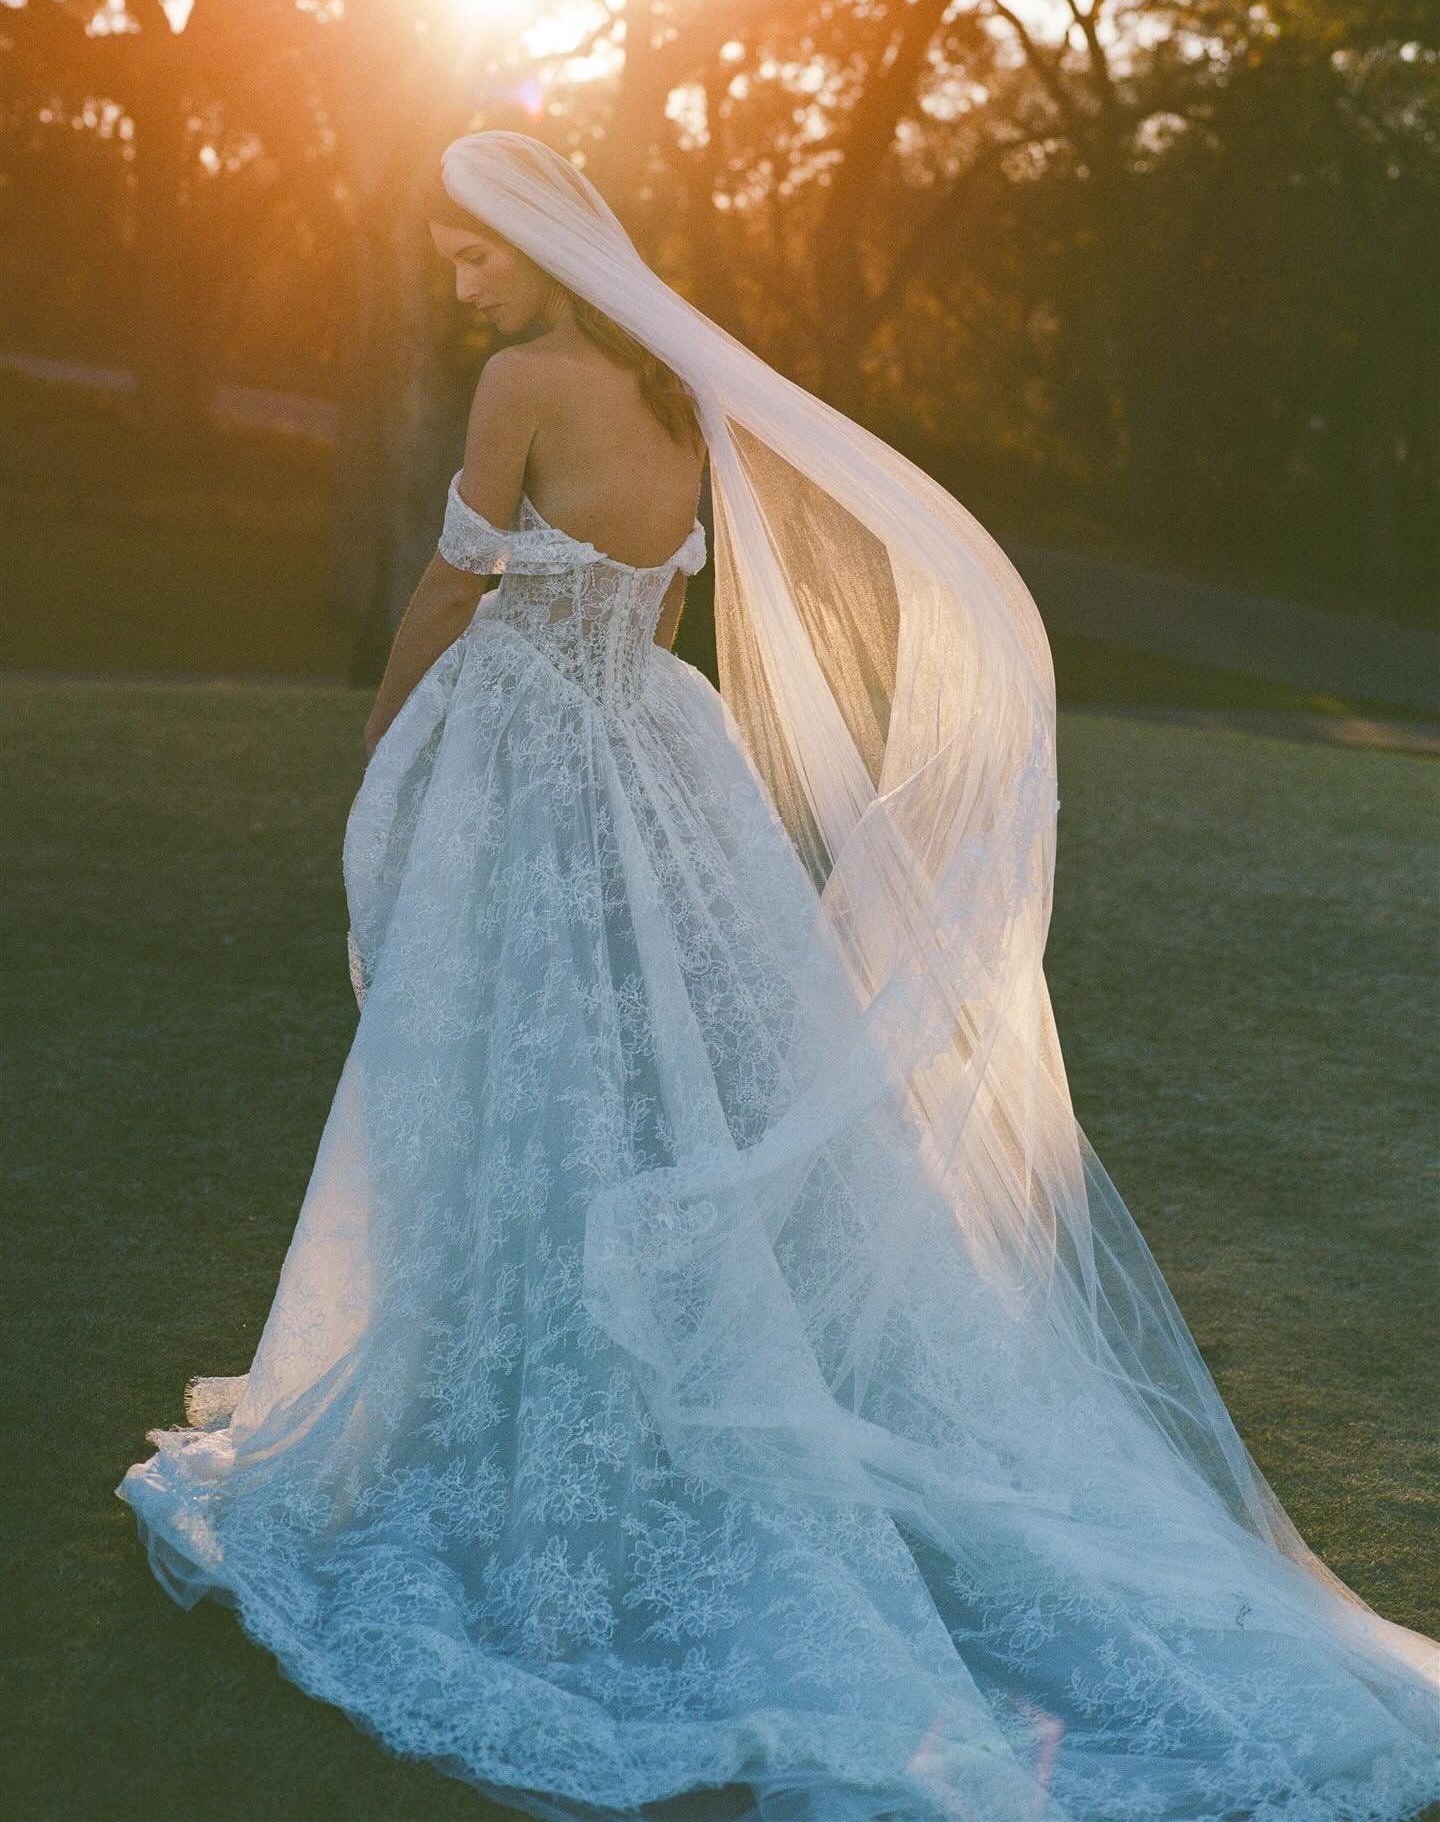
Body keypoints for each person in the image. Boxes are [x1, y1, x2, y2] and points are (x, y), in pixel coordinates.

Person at [116, 131, 1440, 1822]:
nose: (458, 279)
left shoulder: (524, 381)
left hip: (540, 752)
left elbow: (457, 574)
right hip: (662, 751)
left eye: (470, 251)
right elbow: (659, 611)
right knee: (655, 1069)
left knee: (524, 1060)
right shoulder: (676, 398)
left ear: (535, 247)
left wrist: (385, 732)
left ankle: (525, 1405)